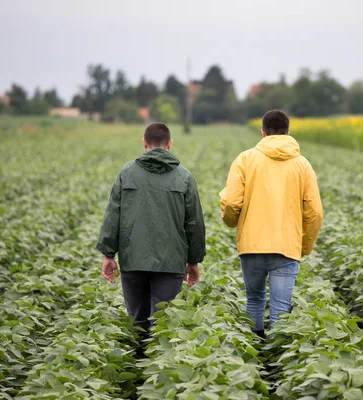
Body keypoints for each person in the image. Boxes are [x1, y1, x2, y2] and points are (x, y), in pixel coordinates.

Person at [219, 109, 323, 338]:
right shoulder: (302, 165)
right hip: (286, 248)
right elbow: (315, 212)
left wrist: (232, 222)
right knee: (280, 309)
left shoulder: (245, 159)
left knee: (254, 301)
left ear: (263, 132)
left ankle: (253, 358)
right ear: (288, 132)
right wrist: (304, 245)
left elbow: (231, 203)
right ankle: (278, 363)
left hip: (252, 246)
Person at [96, 122, 205, 338]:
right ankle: (158, 368)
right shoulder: (184, 177)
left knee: (138, 321)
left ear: (145, 144)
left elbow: (113, 215)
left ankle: (137, 364)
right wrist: (193, 260)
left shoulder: (126, 173)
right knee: (163, 324)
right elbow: (194, 223)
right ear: (170, 145)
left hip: (134, 259)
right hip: (170, 261)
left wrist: (108, 254)